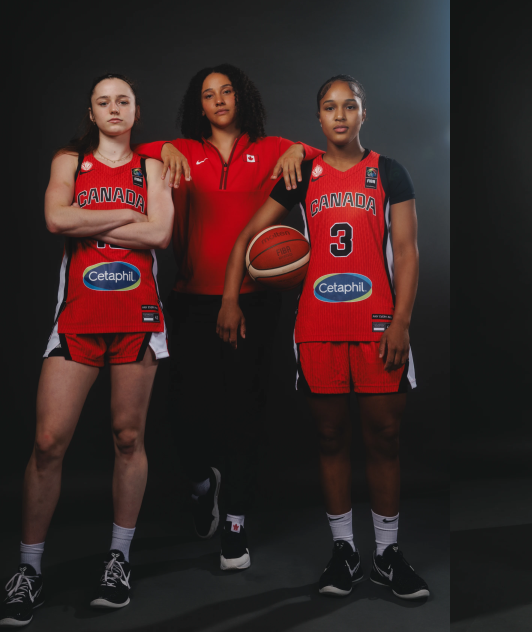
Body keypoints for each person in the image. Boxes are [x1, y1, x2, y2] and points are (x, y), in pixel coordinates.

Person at [217, 75, 429, 600]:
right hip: (317, 325)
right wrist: (229, 297)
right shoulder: (302, 174)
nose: (340, 115)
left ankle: (386, 553)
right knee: (331, 438)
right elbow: (248, 237)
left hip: (379, 322)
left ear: (363, 114)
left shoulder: (389, 172)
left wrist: (402, 321)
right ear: (318, 119)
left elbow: (406, 252)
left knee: (384, 438)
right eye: (330, 107)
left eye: (349, 106)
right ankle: (344, 551)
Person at [131, 64, 321, 570]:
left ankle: (235, 522)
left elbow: (322, 155)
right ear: (198, 105)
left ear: (243, 98)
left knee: (245, 412)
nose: (218, 100)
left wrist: (298, 152)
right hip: (192, 297)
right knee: (183, 413)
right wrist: (162, 149)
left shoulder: (272, 147)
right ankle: (201, 485)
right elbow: (129, 152)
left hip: (255, 300)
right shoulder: (182, 152)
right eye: (208, 95)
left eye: (227, 91)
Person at [0, 74, 173, 627]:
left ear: (136, 110)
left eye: (123, 99)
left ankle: (118, 559)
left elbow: (162, 234)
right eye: (104, 101)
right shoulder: (69, 162)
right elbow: (57, 219)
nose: (114, 108)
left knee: (128, 437)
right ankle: (29, 568)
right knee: (48, 441)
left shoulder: (153, 167)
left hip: (138, 317)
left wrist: (95, 222)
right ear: (92, 113)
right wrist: (130, 217)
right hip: (77, 316)